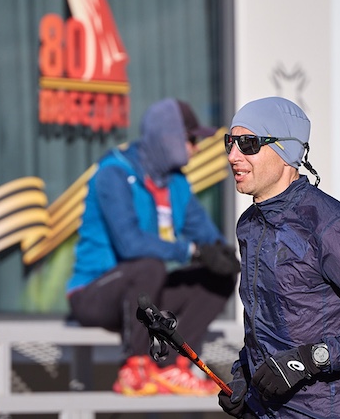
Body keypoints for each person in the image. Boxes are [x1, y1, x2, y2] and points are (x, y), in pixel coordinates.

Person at [218, 97, 340, 418]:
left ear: (285, 150)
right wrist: (244, 373)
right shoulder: (250, 224)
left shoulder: (330, 225)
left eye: (249, 144)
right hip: (269, 409)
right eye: (230, 142)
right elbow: (264, 321)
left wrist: (310, 359)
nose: (233, 156)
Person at [67, 98, 240, 396]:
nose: (196, 148)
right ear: (169, 138)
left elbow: (206, 236)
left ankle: (172, 366)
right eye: (191, 140)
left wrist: (225, 255)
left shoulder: (177, 184)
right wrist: (193, 252)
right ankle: (133, 367)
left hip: (146, 293)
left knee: (218, 277)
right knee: (149, 266)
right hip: (95, 293)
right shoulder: (114, 173)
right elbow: (131, 244)